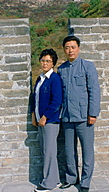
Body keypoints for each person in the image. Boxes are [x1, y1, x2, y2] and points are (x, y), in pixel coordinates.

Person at [58, 36, 101, 192]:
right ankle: (71, 178)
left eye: (73, 47)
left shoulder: (87, 66)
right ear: (64, 50)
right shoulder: (61, 69)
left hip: (84, 116)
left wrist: (93, 113)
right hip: (67, 116)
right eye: (67, 47)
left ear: (78, 48)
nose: (70, 50)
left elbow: (94, 91)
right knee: (69, 149)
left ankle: (85, 181)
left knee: (87, 150)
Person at [31, 49, 63, 192]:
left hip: (50, 122)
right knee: (47, 151)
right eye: (43, 60)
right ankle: (54, 179)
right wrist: (34, 115)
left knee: (49, 152)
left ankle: (48, 184)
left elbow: (57, 101)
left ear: (53, 63)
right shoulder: (40, 78)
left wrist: (45, 117)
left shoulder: (55, 79)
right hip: (40, 121)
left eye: (48, 61)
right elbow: (35, 98)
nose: (45, 63)